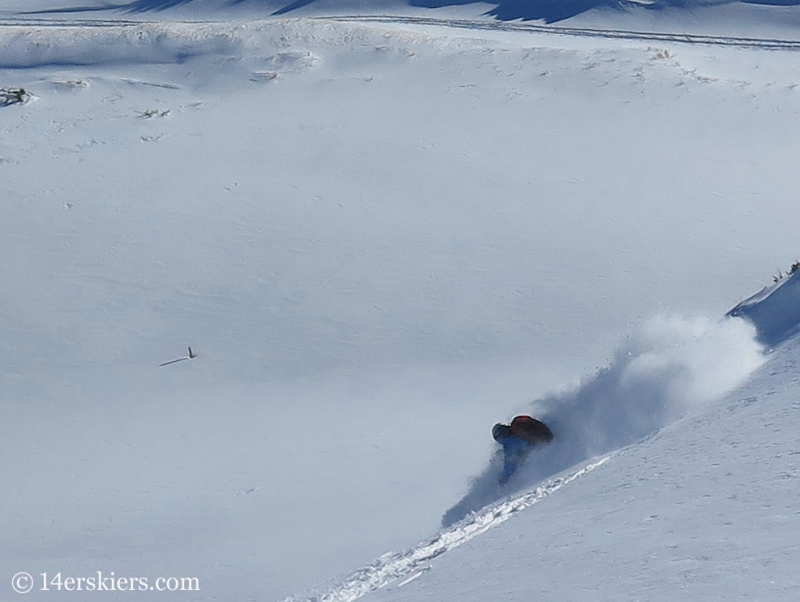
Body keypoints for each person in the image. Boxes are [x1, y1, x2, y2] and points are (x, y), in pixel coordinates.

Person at [492, 415, 553, 484]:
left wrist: (504, 479)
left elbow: (511, 464)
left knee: (501, 453)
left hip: (538, 447)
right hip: (546, 435)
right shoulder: (517, 427)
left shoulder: (509, 443)